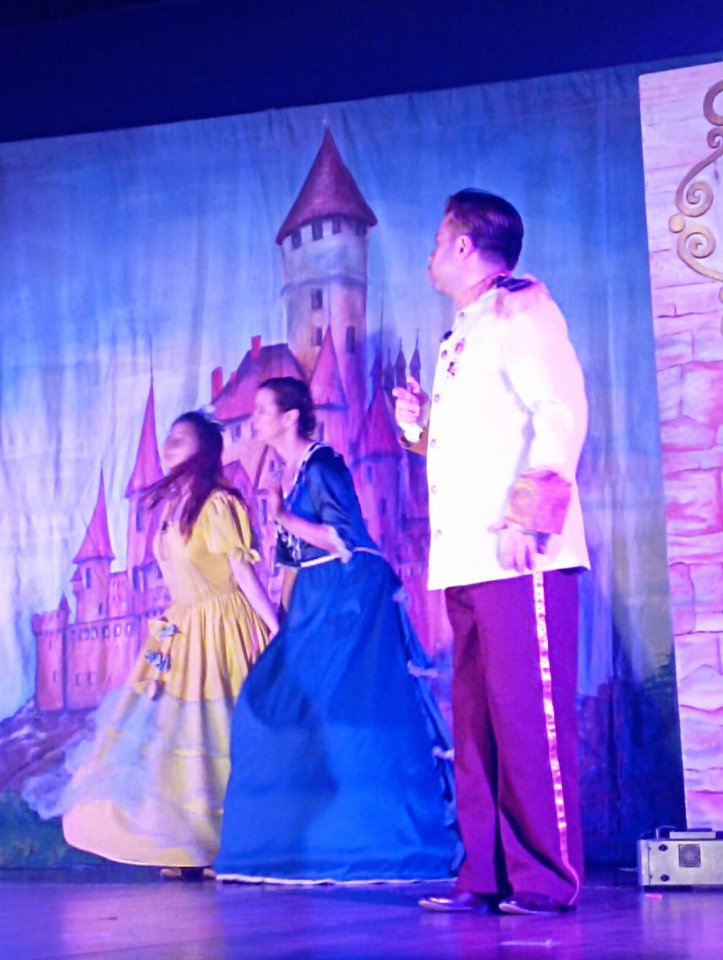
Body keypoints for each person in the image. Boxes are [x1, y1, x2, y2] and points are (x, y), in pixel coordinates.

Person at [393, 189, 589, 915]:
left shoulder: (521, 309)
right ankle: (486, 872)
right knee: (476, 722)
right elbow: (473, 444)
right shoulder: (461, 335)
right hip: (468, 557)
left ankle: (545, 878)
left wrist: (529, 516)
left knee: (528, 716)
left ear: (465, 245)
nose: (430, 255)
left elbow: (560, 409)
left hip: (519, 554)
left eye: (438, 241)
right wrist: (419, 427)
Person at [214, 377, 460, 883]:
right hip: (313, 598)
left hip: (348, 595)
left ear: (290, 417)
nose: (253, 418)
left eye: (262, 409)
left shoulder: (322, 464)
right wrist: (280, 625)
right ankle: (295, 846)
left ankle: (375, 844)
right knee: (269, 705)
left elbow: (342, 538)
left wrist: (282, 514)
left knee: (353, 721)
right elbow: (289, 562)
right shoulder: (286, 474)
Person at [37, 411, 278, 875]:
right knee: (174, 735)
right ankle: (184, 844)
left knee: (219, 731)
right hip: (183, 628)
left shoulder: (219, 504)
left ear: (204, 449)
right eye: (168, 438)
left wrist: (273, 626)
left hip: (221, 625)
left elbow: (242, 571)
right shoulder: (172, 508)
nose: (168, 447)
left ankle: (230, 844)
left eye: (179, 439)